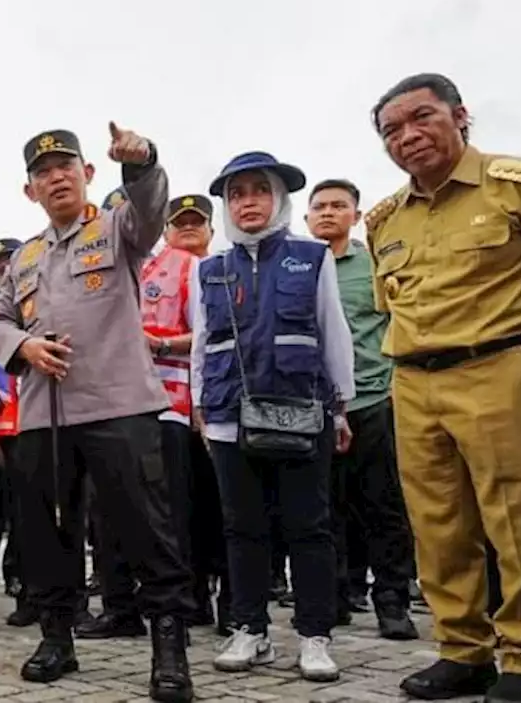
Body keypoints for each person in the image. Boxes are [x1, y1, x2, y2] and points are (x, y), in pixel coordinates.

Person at [366, 72, 521, 703]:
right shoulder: (385, 220)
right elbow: (394, 306)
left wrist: (514, 340)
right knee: (438, 525)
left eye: (422, 118)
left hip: (501, 366)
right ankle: (463, 649)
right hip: (413, 379)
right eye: (392, 131)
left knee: (519, 518)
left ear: (460, 115)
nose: (408, 137)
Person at [0, 124, 193, 703]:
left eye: (65, 167)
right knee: (47, 533)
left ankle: (169, 649)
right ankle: (57, 638)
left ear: (88, 175)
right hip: (42, 417)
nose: (56, 177)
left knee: (145, 529)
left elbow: (152, 206)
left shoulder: (118, 228)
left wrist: (144, 161)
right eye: (43, 172)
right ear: (30, 190)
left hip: (119, 406)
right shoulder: (24, 257)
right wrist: (23, 347)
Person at [189, 152, 352, 683]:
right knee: (243, 528)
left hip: (303, 412)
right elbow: (200, 344)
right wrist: (199, 405)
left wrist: (341, 404)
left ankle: (314, 636)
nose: (248, 201)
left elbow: (333, 331)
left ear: (279, 198)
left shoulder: (313, 256)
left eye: (259, 190)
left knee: (309, 526)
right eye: (237, 194)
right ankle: (249, 630)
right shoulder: (208, 269)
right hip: (228, 416)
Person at [304, 179, 419, 641]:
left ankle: (392, 600)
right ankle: (331, 598)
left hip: (373, 398)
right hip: (314, 405)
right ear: (306, 217)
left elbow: (401, 321)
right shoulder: (298, 266)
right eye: (319, 207)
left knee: (383, 505)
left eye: (338, 206)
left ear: (355, 214)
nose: (328, 213)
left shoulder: (375, 263)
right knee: (322, 509)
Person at [0, 238, 33, 627]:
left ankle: (26, 582)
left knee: (30, 511)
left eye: (8, 263)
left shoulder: (35, 308)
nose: (3, 270)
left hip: (33, 422)